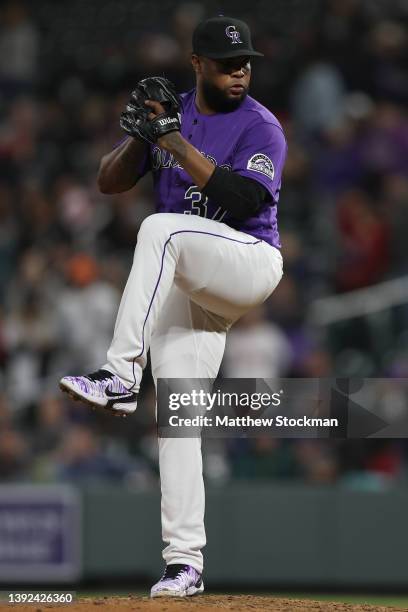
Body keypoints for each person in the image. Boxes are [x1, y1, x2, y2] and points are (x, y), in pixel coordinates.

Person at [59, 15, 287, 598]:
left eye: (246, 64)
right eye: (226, 63)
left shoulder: (261, 126)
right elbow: (110, 181)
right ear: (197, 64)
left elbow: (241, 198)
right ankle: (184, 564)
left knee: (161, 228)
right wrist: (141, 134)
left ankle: (118, 374)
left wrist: (173, 141)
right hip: (192, 283)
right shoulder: (172, 115)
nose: (239, 73)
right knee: (180, 418)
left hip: (248, 262)